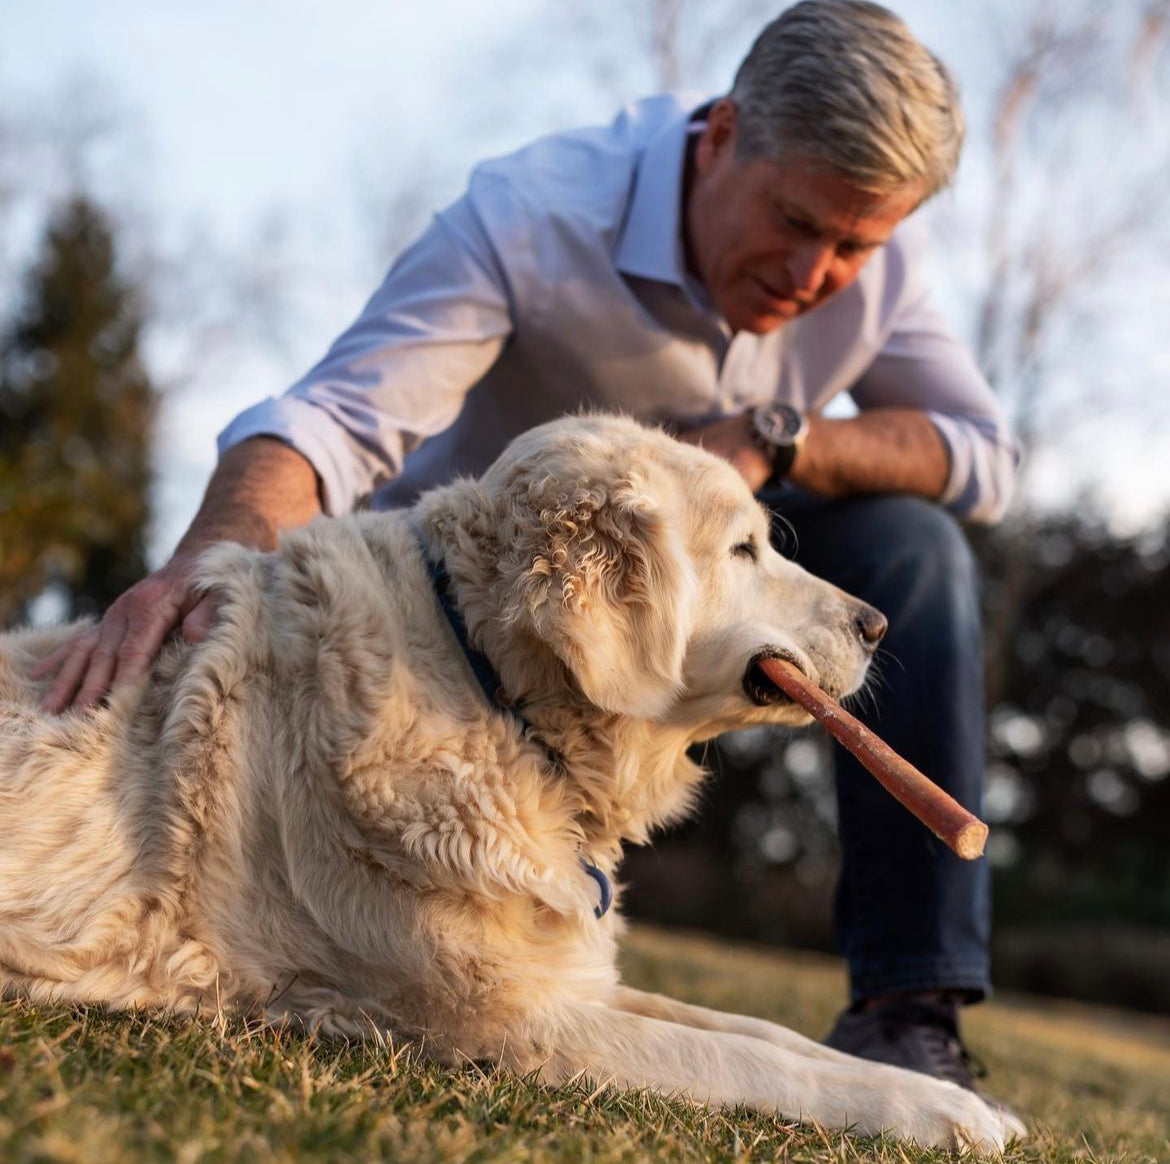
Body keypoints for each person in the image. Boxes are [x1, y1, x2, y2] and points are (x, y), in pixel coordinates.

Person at [35, 0, 1016, 1092]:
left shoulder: (875, 266)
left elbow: (982, 453)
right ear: (725, 132)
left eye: (855, 245)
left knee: (915, 545)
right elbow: (338, 421)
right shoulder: (536, 213)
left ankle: (908, 1007)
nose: (818, 269)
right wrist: (206, 562)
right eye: (795, 221)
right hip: (471, 628)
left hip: (737, 549)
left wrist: (779, 441)